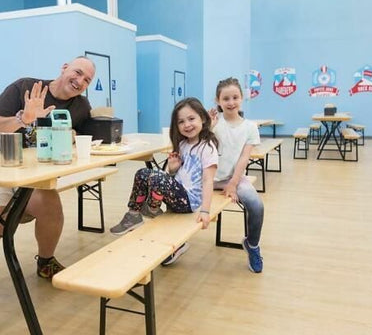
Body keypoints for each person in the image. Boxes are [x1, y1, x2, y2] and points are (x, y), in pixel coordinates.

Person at [0, 56, 96, 301]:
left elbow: (84, 139)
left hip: (27, 173)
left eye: (87, 79)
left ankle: (45, 262)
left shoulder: (80, 107)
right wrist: (24, 119)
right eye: (77, 72)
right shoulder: (24, 87)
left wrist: (74, 136)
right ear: (64, 67)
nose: (80, 81)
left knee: (50, 204)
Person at [109, 97, 218, 266]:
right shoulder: (182, 145)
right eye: (181, 122)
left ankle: (152, 209)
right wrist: (173, 169)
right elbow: (172, 179)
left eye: (191, 119)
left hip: (190, 202)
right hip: (177, 195)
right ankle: (133, 215)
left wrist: (205, 211)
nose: (187, 125)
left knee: (157, 177)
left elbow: (208, 180)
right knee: (143, 173)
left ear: (202, 119)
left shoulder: (208, 147)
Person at [209, 77, 264, 273]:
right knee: (182, 200)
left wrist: (232, 184)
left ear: (242, 98)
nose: (231, 102)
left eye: (235, 97)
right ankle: (176, 244)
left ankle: (252, 245)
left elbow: (243, 158)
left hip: (234, 178)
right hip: (209, 178)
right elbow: (200, 148)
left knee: (256, 205)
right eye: (226, 98)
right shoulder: (214, 123)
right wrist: (208, 126)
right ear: (218, 100)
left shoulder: (250, 127)